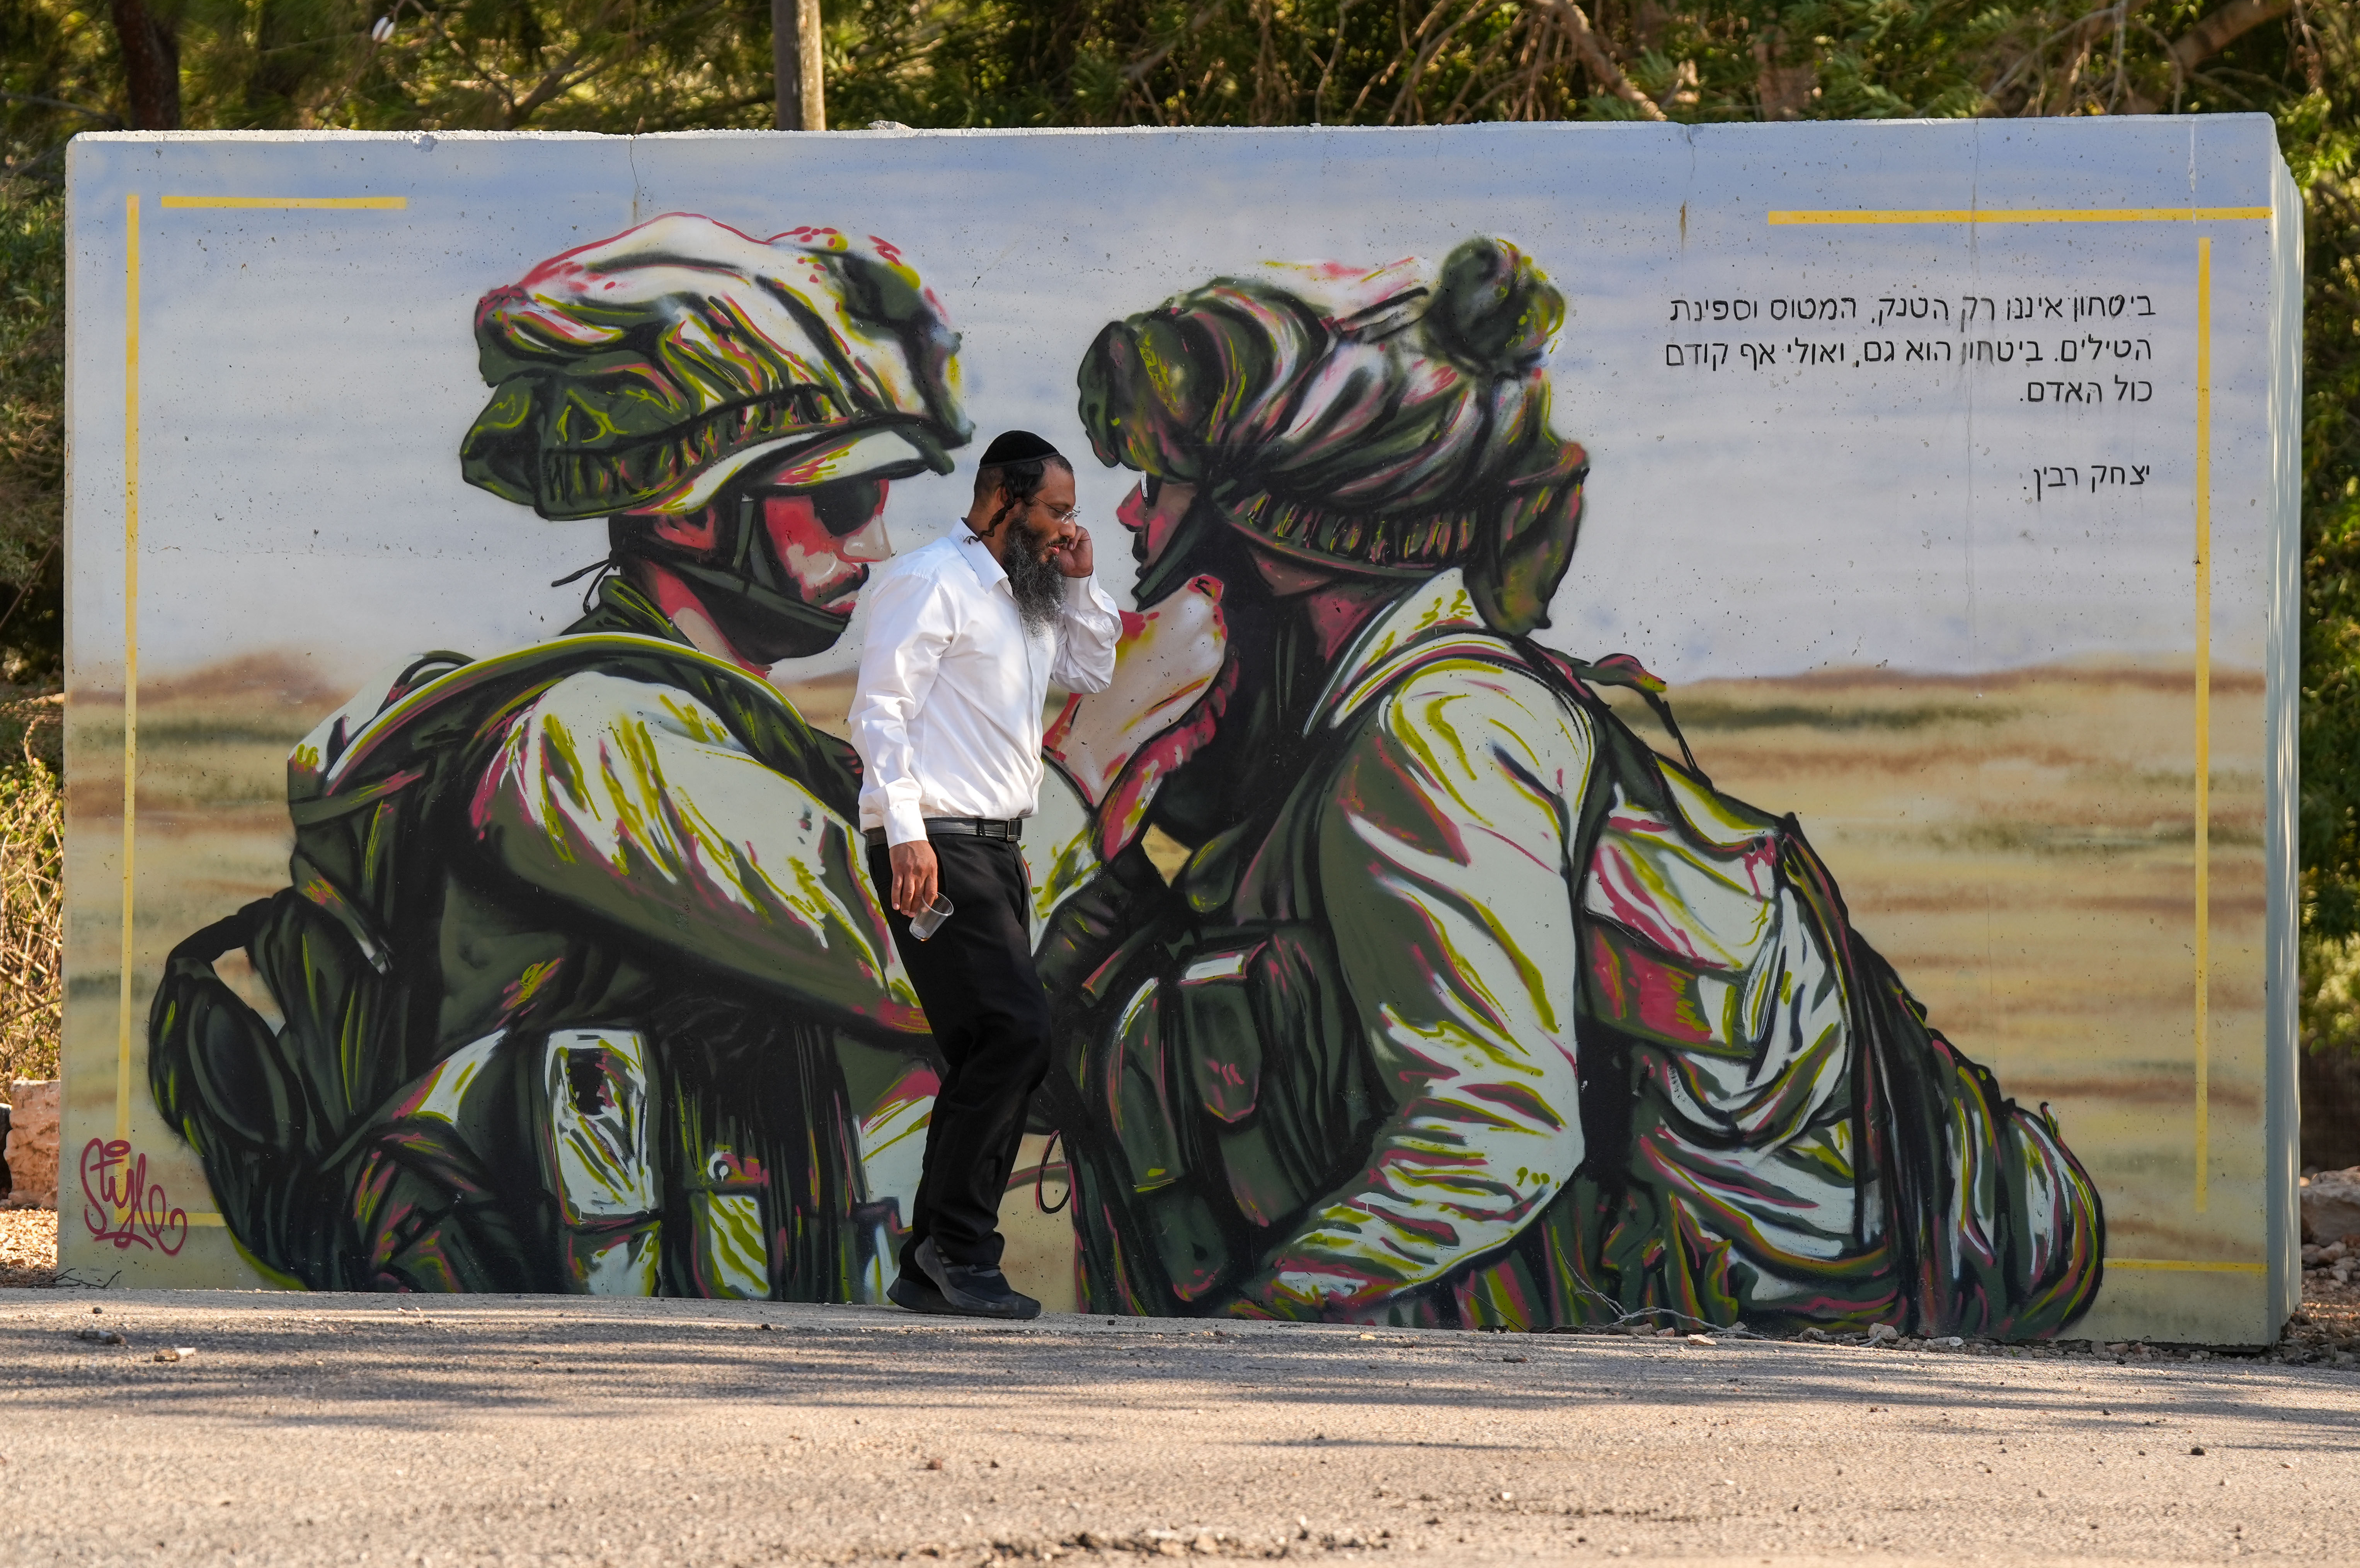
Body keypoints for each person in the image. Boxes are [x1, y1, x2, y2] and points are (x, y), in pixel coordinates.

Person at [1032, 238, 2103, 1336]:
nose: (1127, 518)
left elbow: (1495, 1129)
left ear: (1277, 527)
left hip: (1737, 1320)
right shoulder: (1312, 727)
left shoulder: (1437, 737)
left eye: (1160, 486)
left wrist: (1249, 1338)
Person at [148, 214, 967, 1299]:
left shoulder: (708, 734)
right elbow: (951, 958)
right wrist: (1095, 748)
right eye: (840, 499)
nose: (874, 542)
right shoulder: (585, 744)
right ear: (685, 511)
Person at [851, 430, 1122, 1318]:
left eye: (1068, 514)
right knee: (1014, 1031)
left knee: (991, 1045)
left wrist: (1080, 578)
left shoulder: (1031, 596)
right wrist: (903, 832)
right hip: (933, 841)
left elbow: (1090, 667)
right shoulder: (931, 579)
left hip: (995, 848)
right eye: (1051, 511)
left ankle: (934, 1261)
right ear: (1001, 499)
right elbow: (880, 710)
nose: (1061, 528)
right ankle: (956, 1246)